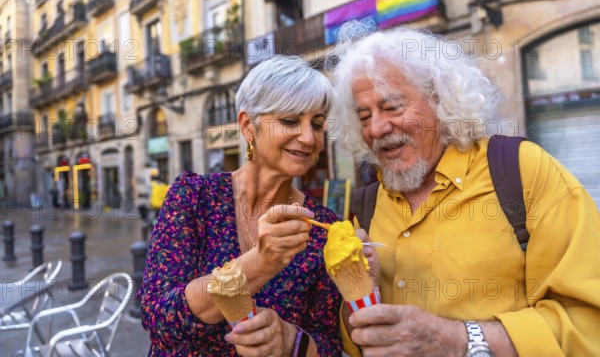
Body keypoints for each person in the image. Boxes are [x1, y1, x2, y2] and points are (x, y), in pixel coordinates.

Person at [329, 23, 600, 356]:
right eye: (364, 115)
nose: (377, 128)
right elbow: (357, 342)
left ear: (440, 99)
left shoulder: (521, 170)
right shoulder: (368, 204)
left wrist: (455, 340)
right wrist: (360, 299)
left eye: (392, 107)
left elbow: (588, 321)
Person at [139, 55, 343, 356]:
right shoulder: (194, 197)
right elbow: (158, 317)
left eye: (317, 124)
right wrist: (259, 263)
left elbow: (330, 344)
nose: (308, 137)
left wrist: (291, 341)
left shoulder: (322, 227)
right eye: (290, 120)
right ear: (248, 126)